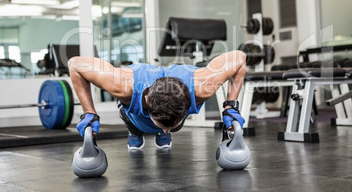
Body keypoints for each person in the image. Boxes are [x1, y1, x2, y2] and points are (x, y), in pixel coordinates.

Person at [68, 50, 246, 149]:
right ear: (146, 98)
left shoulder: (202, 87)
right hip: (135, 113)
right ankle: (135, 132)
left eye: (170, 126)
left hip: (164, 101)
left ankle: (159, 131)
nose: (169, 130)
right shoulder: (123, 86)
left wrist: (230, 106)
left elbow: (239, 57)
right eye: (165, 126)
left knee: (166, 130)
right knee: (128, 113)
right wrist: (89, 113)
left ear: (188, 101)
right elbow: (75, 64)